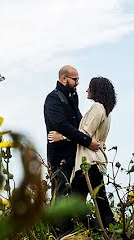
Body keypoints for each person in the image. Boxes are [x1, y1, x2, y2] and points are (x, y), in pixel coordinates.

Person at [49, 76, 117, 233]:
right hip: (96, 163)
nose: (86, 90)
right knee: (102, 207)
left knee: (74, 204)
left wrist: (62, 136)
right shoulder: (105, 111)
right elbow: (95, 138)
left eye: (90, 87)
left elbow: (83, 133)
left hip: (89, 164)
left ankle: (99, 232)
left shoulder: (97, 108)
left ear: (97, 90)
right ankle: (112, 233)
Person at [43, 65, 101, 201]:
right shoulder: (53, 99)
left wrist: (90, 139)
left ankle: (84, 222)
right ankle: (59, 223)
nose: (78, 83)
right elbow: (62, 125)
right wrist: (87, 141)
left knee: (76, 198)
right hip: (60, 158)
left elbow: (78, 124)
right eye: (75, 79)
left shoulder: (72, 96)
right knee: (60, 196)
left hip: (75, 155)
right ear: (64, 79)